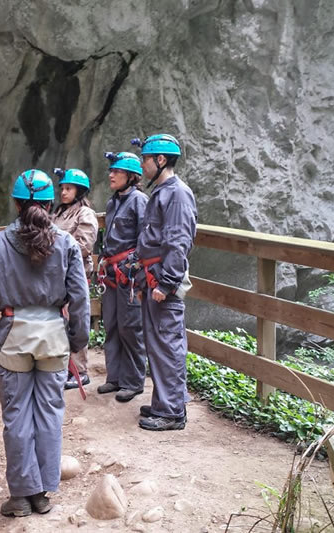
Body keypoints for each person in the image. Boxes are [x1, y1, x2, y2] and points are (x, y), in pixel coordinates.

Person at [0, 169, 90, 518]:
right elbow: (80, 298)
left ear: (15, 203)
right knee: (50, 415)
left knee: (17, 417)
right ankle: (41, 494)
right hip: (54, 336)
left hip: (14, 337)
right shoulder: (67, 243)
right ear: (50, 202)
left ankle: (21, 496)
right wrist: (76, 340)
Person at [132, 133, 197, 431]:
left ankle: (172, 412)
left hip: (163, 282)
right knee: (158, 344)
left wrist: (166, 283)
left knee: (168, 344)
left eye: (145, 158)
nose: (142, 164)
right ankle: (164, 403)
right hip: (152, 277)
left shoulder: (177, 194)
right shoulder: (162, 191)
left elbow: (178, 241)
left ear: (160, 160)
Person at [96, 151, 149, 403]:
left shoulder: (139, 201)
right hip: (111, 272)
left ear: (131, 176)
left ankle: (133, 381)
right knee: (112, 324)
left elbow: (145, 238)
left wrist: (134, 266)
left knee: (131, 326)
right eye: (111, 171)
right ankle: (114, 377)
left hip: (129, 274)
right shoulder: (112, 203)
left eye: (116, 171)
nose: (111, 175)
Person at [51, 168, 98, 390]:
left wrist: (55, 254)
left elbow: (84, 247)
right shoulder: (58, 213)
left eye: (68, 188)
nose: (63, 192)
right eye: (62, 188)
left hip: (75, 275)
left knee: (75, 319)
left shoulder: (85, 214)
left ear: (79, 191)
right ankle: (63, 367)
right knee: (60, 321)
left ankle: (79, 370)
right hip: (57, 275)